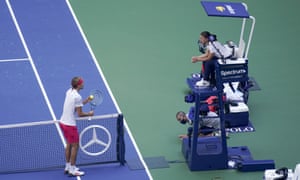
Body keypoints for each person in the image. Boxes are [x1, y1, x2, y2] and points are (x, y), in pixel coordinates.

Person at [59, 77, 94, 176]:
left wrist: (86, 100)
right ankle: (73, 169)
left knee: (69, 144)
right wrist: (89, 114)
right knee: (75, 146)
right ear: (79, 85)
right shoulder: (77, 97)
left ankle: (67, 166)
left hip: (62, 123)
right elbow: (80, 114)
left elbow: (75, 106)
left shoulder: (69, 92)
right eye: (82, 83)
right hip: (70, 125)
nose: (83, 84)